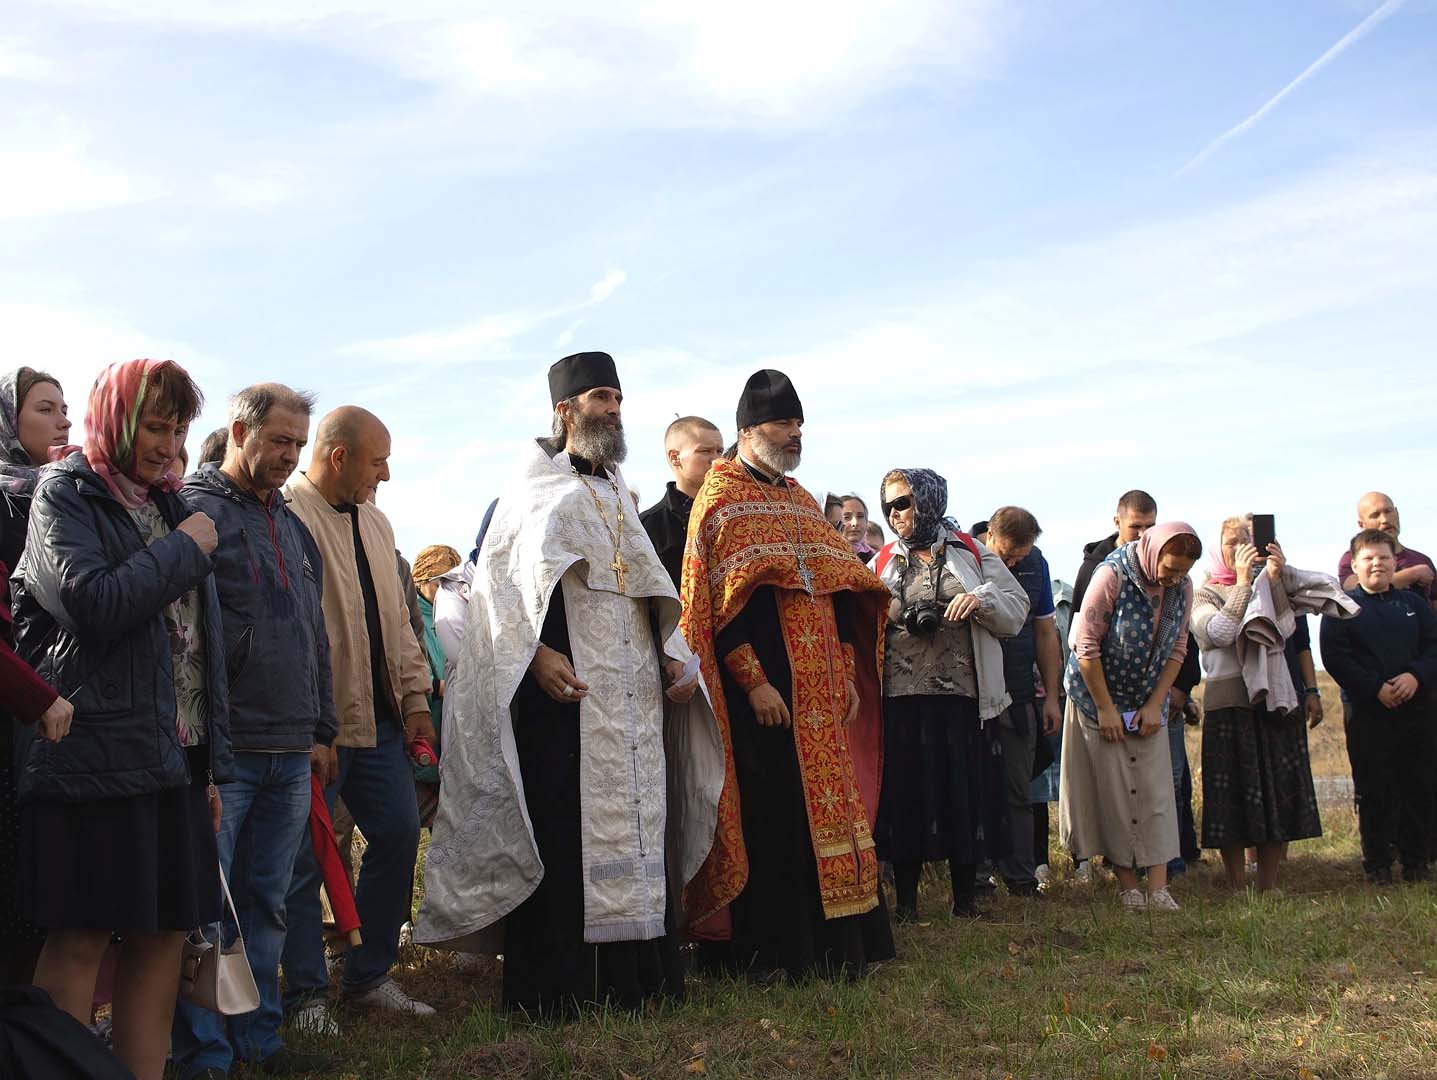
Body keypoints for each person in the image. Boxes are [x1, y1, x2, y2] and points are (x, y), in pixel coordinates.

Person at [415, 352, 719, 1016]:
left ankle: (639, 981)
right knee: (563, 831)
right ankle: (562, 990)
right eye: (600, 397)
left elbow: (646, 593)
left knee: (639, 828)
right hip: (563, 698)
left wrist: (670, 654)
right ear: (565, 410)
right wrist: (536, 658)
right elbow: (496, 600)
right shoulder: (529, 494)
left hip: (630, 701)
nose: (612, 409)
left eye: (617, 398)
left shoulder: (614, 494)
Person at [13, 358, 230, 1080]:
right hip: (93, 756)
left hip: (170, 759)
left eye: (178, 428)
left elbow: (195, 656)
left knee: (163, 936)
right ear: (115, 422)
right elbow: (93, 604)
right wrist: (180, 551)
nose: (168, 445)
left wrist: (206, 767)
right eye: (153, 426)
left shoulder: (168, 506)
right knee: (79, 939)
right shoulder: (64, 495)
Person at [681, 369, 894, 979]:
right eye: (782, 423)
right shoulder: (720, 499)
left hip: (824, 693)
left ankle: (841, 948)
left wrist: (848, 674)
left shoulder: (801, 500)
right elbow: (716, 609)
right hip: (763, 697)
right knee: (772, 817)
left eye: (799, 423)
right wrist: (753, 682)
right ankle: (777, 955)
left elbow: (842, 595)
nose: (794, 434)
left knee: (828, 814)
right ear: (748, 429)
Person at [171, 384, 338, 1079]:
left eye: (298, 444)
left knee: (268, 902)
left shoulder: (294, 527)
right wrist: (200, 752)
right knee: (206, 907)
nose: (289, 456)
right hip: (224, 753)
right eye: (278, 441)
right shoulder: (192, 510)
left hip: (291, 747)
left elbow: (314, 636)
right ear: (239, 431)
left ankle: (258, 1042)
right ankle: (203, 1055)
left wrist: (322, 726)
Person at [280, 407, 438, 1028]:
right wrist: (312, 726)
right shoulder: (288, 516)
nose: (388, 475)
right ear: (340, 457)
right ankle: (306, 996)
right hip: (321, 727)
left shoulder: (376, 522)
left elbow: (399, 623)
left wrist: (417, 700)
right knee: (303, 860)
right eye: (379, 461)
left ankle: (368, 976)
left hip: (382, 724)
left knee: (398, 836)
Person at [871, 478, 1028, 920]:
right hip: (899, 699)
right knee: (906, 799)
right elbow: (859, 620)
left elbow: (1015, 611)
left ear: (928, 501)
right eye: (889, 505)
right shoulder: (882, 560)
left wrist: (980, 600)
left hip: (963, 697)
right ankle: (906, 906)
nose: (896, 513)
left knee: (962, 792)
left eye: (905, 502)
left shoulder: (971, 553)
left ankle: (965, 901)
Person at [1191, 516, 1356, 893]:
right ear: (1219, 549)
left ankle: (1268, 884)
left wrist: (1279, 577)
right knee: (1231, 795)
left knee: (1274, 794)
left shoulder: (1270, 585)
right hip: (1229, 704)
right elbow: (1218, 632)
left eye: (1248, 540)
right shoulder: (1205, 593)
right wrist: (1244, 583)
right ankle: (1235, 883)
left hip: (1273, 701)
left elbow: (1290, 626)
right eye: (1233, 541)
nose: (1242, 548)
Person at [1058, 523, 1201, 912]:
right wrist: (1106, 709)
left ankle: (1158, 887)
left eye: (1181, 573)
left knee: (1156, 791)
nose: (1171, 578)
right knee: (1115, 792)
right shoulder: (1111, 575)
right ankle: (1128, 887)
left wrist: (1156, 704)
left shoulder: (1181, 588)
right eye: (1168, 569)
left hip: (1146, 701)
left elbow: (1179, 647)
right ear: (1152, 553)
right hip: (1097, 697)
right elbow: (1085, 644)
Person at [0, 367, 73, 983]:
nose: (63, 421)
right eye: (46, 408)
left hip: (57, 695)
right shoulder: (4, 499)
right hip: (18, 698)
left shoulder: (65, 494)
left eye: (66, 409)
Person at [1321, 529, 1437, 884]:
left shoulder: (1414, 605)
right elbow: (1336, 658)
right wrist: (1375, 688)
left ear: (1393, 562)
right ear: (1355, 564)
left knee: (1418, 784)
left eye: (1384, 558)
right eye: (1369, 558)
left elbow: (1433, 647)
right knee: (1374, 789)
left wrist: (1415, 676)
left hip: (1417, 710)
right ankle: (1378, 864)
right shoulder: (1343, 608)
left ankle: (1416, 862)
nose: (1377, 564)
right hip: (1369, 712)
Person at [983, 507, 1062, 898]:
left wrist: (1050, 696)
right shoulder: (966, 558)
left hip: (1021, 694)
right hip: (977, 692)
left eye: (1021, 555)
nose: (1014, 562)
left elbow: (1047, 633)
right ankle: (978, 878)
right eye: (1008, 554)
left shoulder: (1036, 564)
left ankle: (1021, 877)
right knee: (977, 787)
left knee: (1020, 788)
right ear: (990, 536)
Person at [640, 416, 724, 589]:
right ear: (675, 457)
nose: (717, 461)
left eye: (719, 451)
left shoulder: (733, 514)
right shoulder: (649, 527)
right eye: (705, 451)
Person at [1336, 492, 1434, 605]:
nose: (1385, 520)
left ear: (1397, 513)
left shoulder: (1422, 559)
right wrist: (1413, 574)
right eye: (1375, 515)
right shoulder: (1354, 557)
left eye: (1388, 511)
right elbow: (1355, 588)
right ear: (1361, 525)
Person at [1071, 490, 1157, 614]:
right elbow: (1078, 626)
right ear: (1117, 522)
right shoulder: (1093, 567)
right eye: (1135, 527)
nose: (1142, 534)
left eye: (1149, 527)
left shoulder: (1159, 567)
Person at [411, 544, 462, 736]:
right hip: (424, 716)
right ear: (421, 580)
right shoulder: (408, 617)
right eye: (438, 585)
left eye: (451, 585)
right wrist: (437, 687)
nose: (444, 592)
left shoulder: (459, 613)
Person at [839, 495, 875, 563]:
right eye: (846, 517)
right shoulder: (827, 555)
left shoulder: (874, 560)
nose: (855, 523)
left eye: (860, 516)